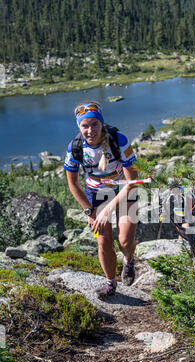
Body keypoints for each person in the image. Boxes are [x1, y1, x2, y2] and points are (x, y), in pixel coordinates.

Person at [64, 101, 138, 298]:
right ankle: (110, 283)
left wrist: (108, 210)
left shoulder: (118, 140)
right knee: (103, 242)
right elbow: (73, 184)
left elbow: (133, 181)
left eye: (94, 124)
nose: (90, 130)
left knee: (124, 241)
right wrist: (89, 211)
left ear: (102, 123)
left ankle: (129, 260)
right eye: (85, 126)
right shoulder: (75, 148)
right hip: (96, 195)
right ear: (79, 127)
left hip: (125, 190)